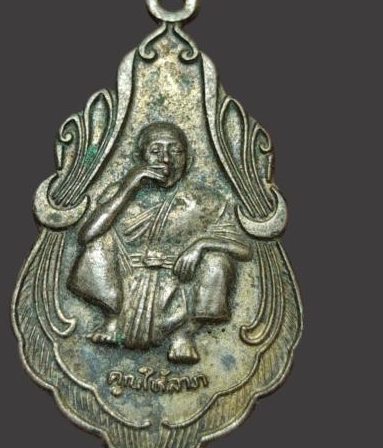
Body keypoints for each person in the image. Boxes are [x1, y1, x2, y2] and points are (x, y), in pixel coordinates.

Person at [68, 121, 252, 363]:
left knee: (218, 259)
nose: (166, 159)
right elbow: (86, 235)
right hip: (124, 280)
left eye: (175, 151)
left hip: (179, 281)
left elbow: (244, 249)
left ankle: (185, 334)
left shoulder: (207, 201)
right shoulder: (120, 191)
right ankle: (112, 319)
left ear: (188, 158)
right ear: (140, 156)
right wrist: (129, 187)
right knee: (100, 238)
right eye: (155, 151)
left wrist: (202, 244)